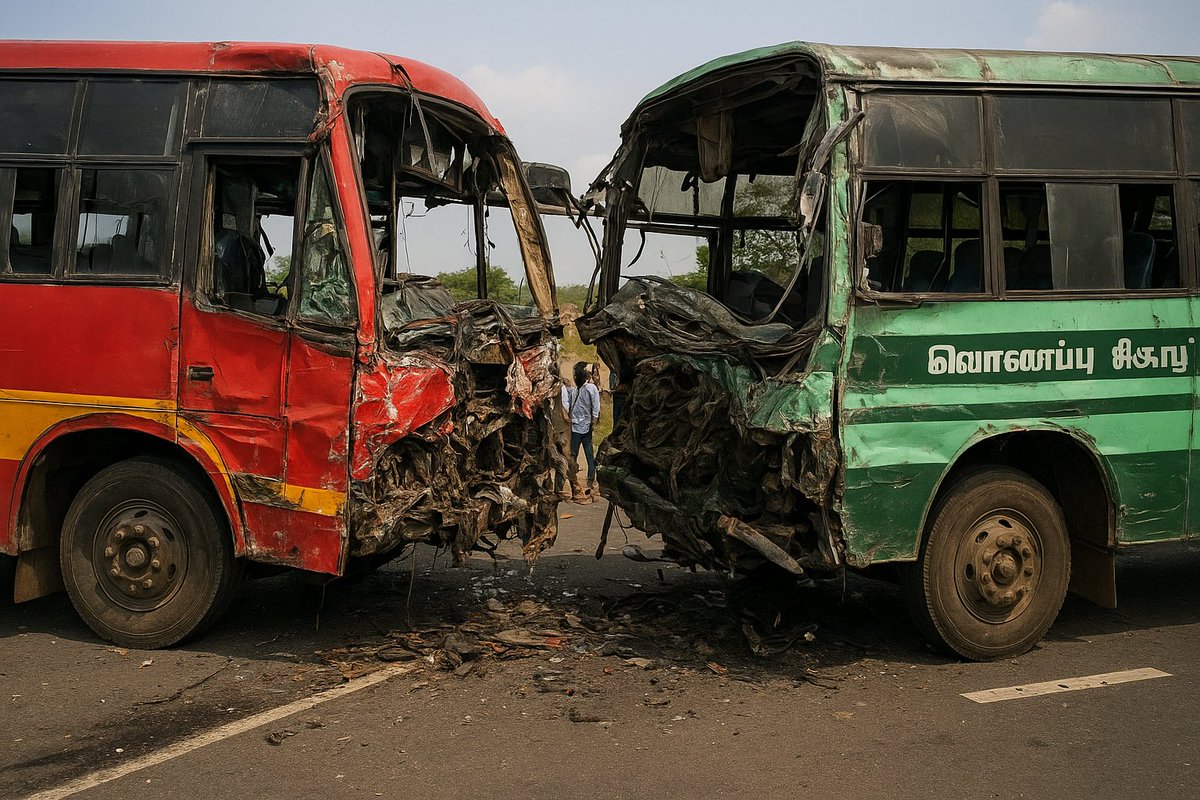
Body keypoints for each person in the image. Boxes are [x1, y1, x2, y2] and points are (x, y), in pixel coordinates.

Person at [561, 360, 601, 503]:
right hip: (587, 428)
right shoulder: (591, 388)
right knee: (590, 456)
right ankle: (590, 484)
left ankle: (573, 484)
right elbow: (596, 408)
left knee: (573, 456)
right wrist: (594, 422)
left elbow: (568, 405)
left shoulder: (574, 390)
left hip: (575, 428)